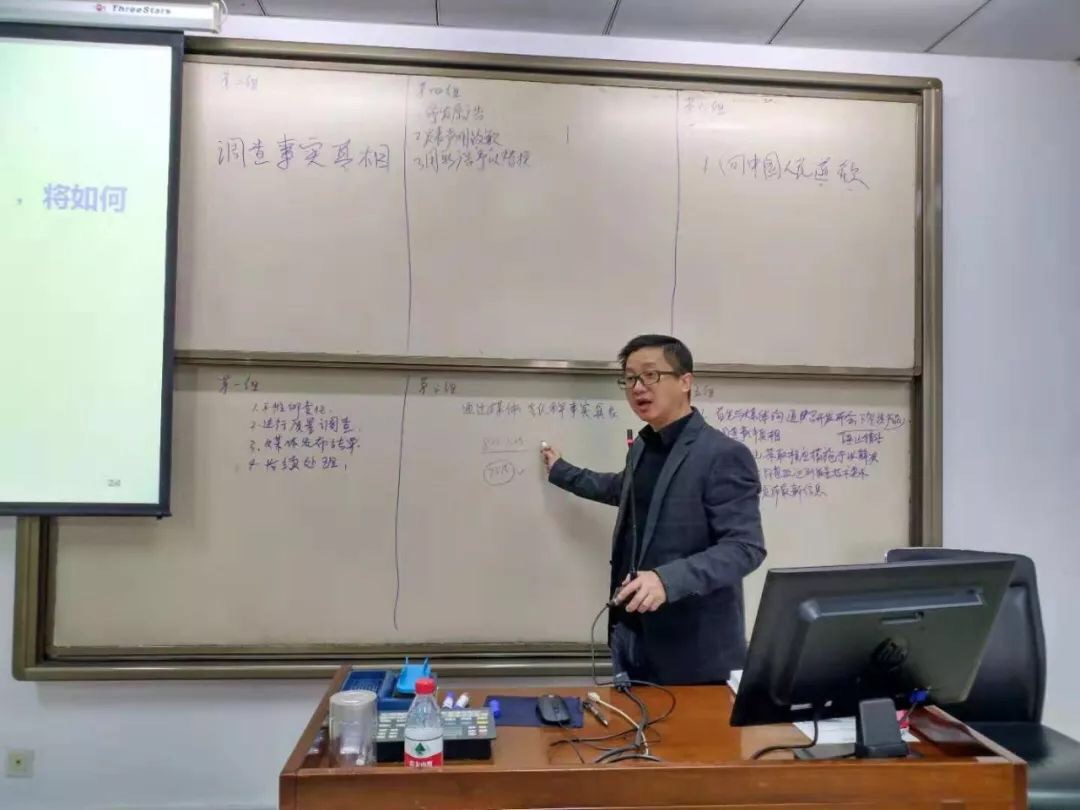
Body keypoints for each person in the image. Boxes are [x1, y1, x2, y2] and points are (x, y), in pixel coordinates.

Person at [541, 334, 766, 684]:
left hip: (693, 651)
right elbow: (623, 490)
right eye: (630, 378)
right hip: (630, 635)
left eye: (650, 375)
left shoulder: (723, 454)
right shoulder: (643, 446)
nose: (638, 388)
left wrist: (666, 580)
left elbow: (745, 548)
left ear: (685, 381)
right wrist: (562, 471)